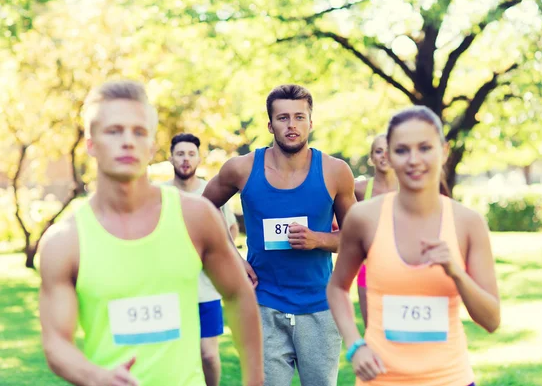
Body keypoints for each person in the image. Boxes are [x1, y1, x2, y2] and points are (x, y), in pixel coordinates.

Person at [38, 80, 263, 386]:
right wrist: (95, 377)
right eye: (114, 131)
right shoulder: (64, 242)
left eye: (139, 132)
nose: (128, 141)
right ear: (91, 144)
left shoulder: (196, 217)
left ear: (152, 146)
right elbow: (55, 342)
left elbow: (238, 295)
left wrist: (254, 380)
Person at [327, 106, 500, 386]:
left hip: (450, 379)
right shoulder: (364, 218)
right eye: (402, 150)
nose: (414, 160)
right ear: (388, 157)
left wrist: (457, 272)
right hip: (381, 380)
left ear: (443, 152)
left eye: (425, 148)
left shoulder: (468, 223)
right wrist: (355, 344)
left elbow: (491, 320)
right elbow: (337, 287)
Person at [202, 84, 356, 386]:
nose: (292, 125)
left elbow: (357, 239)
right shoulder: (241, 169)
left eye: (300, 117)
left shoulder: (336, 172)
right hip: (262, 304)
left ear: (311, 122)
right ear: (270, 124)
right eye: (283, 118)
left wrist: (319, 239)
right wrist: (233, 256)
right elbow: (203, 207)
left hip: (320, 306)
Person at [164, 132, 239, 386]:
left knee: (207, 354)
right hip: (169, 289)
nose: (186, 159)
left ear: (198, 157)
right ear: (171, 157)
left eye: (191, 154)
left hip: (206, 288)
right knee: (173, 355)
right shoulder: (159, 195)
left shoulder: (211, 192)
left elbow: (231, 231)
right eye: (180, 154)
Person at [353, 134, 398, 326]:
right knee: (373, 330)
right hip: (368, 268)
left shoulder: (410, 189)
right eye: (378, 151)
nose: (384, 156)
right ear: (371, 157)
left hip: (403, 267)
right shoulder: (359, 189)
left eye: (390, 151)